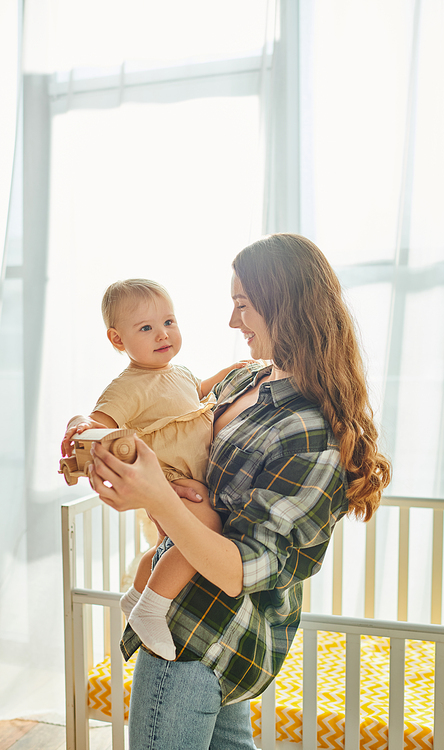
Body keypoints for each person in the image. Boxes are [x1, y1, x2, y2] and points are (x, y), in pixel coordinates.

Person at [88, 234, 391, 750]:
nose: (232, 323)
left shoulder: (310, 433)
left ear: (285, 306)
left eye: (243, 307)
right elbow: (165, 421)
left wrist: (157, 495)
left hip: (200, 638)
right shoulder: (245, 381)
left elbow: (240, 570)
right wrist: (100, 450)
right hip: (206, 634)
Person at [61, 278, 249, 660]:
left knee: (173, 545)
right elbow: (97, 421)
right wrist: (78, 422)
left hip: (195, 479)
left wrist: (231, 372)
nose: (163, 334)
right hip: (170, 482)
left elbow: (196, 393)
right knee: (206, 530)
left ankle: (135, 596)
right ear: (117, 340)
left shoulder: (177, 372)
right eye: (146, 328)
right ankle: (151, 608)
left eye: (169, 322)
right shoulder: (128, 387)